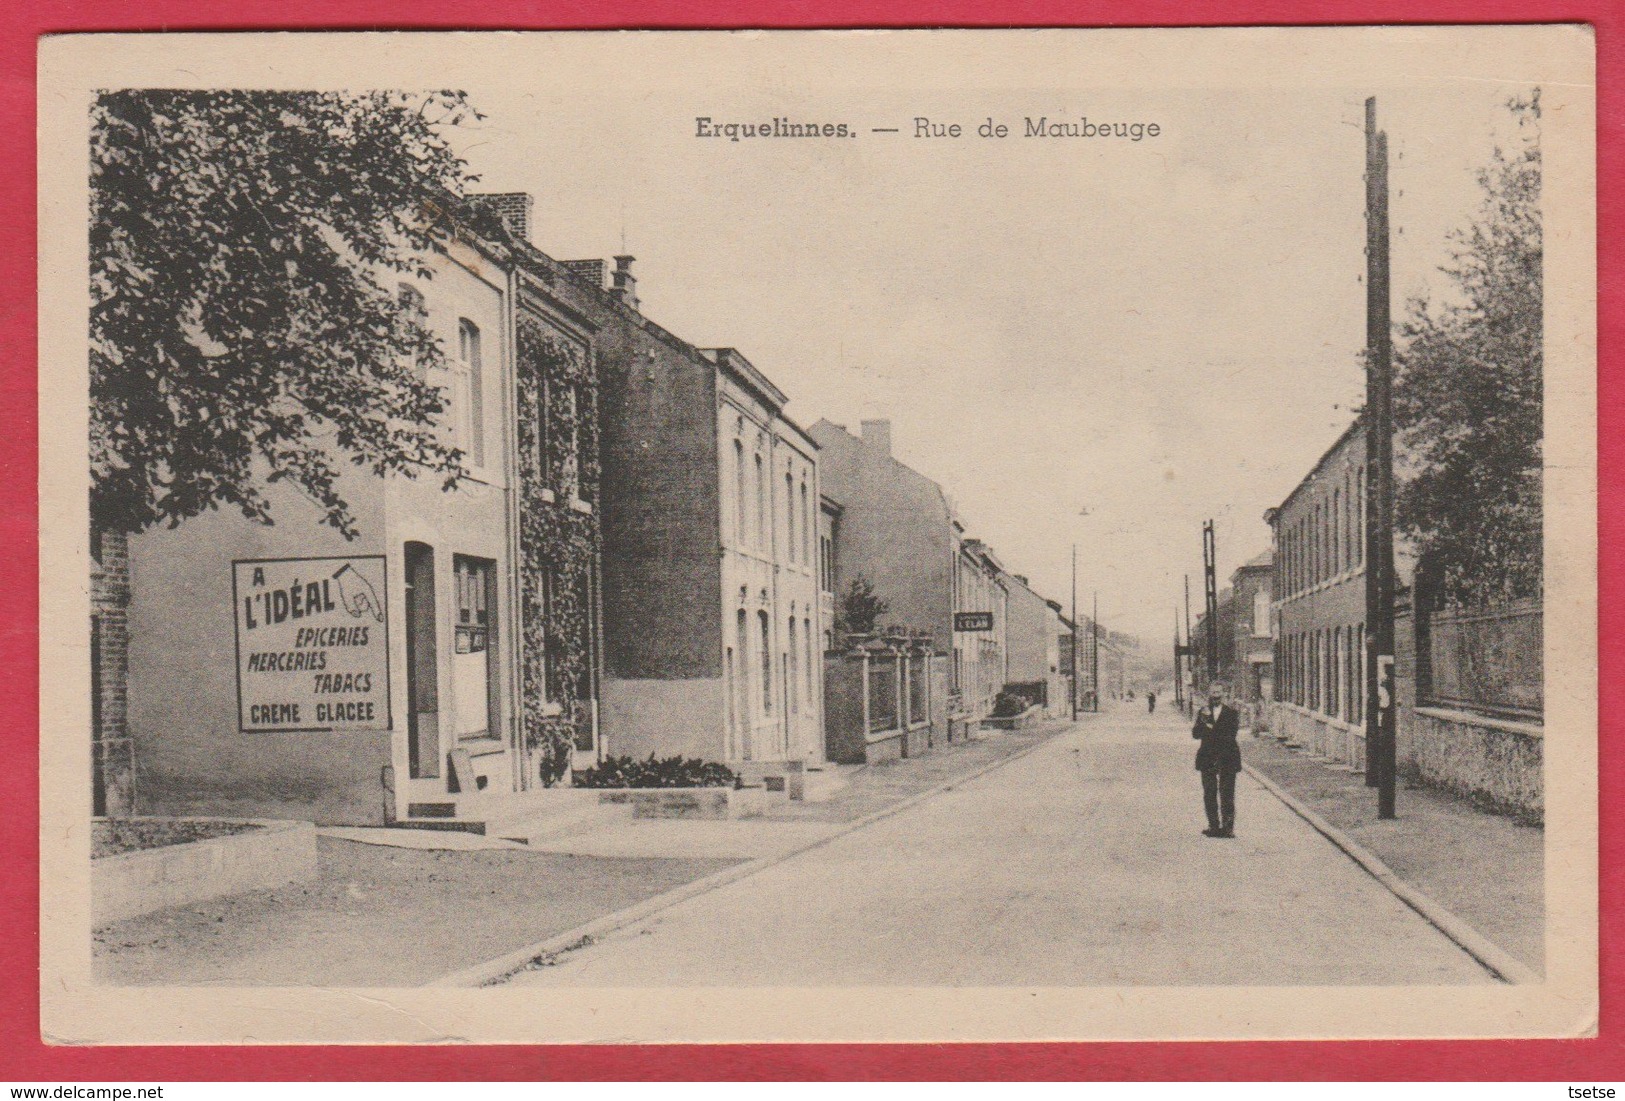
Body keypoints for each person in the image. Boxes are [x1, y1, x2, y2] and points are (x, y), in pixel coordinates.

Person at [1192, 685, 1240, 838]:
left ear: (1223, 694)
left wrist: (1210, 728)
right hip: (1207, 757)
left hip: (1227, 757)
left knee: (1227, 793)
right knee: (1209, 793)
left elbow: (1231, 735)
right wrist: (1203, 721)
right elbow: (1195, 734)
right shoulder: (1203, 712)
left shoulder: (1232, 713)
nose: (1216, 695)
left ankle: (1227, 828)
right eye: (1213, 692)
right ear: (1209, 694)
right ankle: (1213, 826)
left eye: (1218, 692)